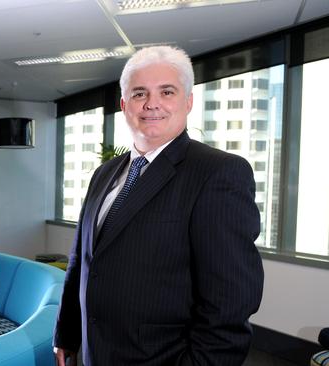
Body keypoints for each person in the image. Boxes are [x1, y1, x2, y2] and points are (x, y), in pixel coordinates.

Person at [53, 46, 264, 366]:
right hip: (95, 353)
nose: (152, 104)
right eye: (140, 94)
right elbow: (80, 261)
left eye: (167, 91)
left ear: (188, 101)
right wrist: (67, 333)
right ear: (124, 105)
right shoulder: (104, 173)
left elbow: (229, 304)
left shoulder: (218, 173)